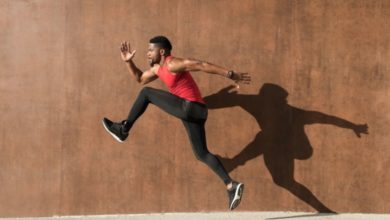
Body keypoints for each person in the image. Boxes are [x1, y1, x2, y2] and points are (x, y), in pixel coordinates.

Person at [102, 36, 251, 210]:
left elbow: (201, 65)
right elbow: (140, 78)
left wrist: (231, 74)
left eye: (151, 50)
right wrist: (129, 62)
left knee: (147, 94)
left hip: (190, 107)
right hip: (197, 113)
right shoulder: (158, 69)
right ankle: (231, 185)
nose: (148, 53)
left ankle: (124, 128)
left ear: (162, 51)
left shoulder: (173, 64)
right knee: (201, 153)